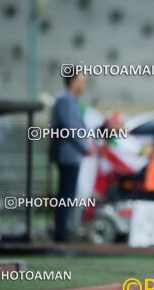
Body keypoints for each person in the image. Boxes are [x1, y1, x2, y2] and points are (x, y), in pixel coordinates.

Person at [49, 71, 95, 242]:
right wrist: (85, 146)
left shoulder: (70, 100)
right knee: (66, 194)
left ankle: (63, 230)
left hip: (71, 154)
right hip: (67, 155)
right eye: (82, 80)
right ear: (73, 81)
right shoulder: (64, 100)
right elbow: (70, 128)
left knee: (68, 194)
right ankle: (60, 233)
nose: (85, 84)